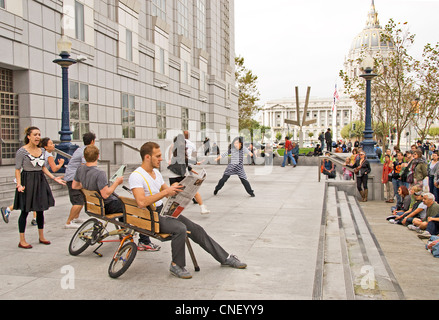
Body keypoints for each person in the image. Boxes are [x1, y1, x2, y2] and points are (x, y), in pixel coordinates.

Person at [129, 142, 247, 279]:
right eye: (158, 156)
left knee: (197, 229)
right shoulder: (136, 176)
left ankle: (225, 258)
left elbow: (165, 191)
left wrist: (177, 188)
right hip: (150, 216)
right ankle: (176, 265)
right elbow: (141, 202)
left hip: (163, 212)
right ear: (147, 157)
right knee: (180, 228)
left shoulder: (156, 173)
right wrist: (166, 192)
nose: (161, 158)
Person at [14, 127, 66, 249]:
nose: (38, 137)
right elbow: (17, 169)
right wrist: (19, 184)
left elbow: (43, 167)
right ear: (29, 136)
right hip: (27, 180)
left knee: (40, 210)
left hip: (40, 180)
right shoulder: (22, 151)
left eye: (39, 134)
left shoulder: (42, 150)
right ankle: (22, 240)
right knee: (25, 211)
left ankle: (41, 236)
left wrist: (54, 178)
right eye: (35, 134)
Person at [72, 145, 125, 216]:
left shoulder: (80, 169)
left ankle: (123, 226)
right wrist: (117, 182)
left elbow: (74, 186)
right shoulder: (100, 173)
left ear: (84, 157)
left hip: (94, 204)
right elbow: (105, 195)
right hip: (106, 205)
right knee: (128, 206)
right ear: (98, 156)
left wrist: (88, 185)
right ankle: (124, 226)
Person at [168, 134, 210, 214]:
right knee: (174, 194)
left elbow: (184, 162)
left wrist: (191, 169)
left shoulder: (183, 150)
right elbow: (182, 160)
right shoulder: (174, 148)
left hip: (182, 174)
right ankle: (171, 211)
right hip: (174, 175)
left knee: (193, 191)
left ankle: (202, 208)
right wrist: (196, 163)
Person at [63, 132, 96, 229]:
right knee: (78, 202)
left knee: (81, 199)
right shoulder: (86, 151)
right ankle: (68, 222)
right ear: (92, 141)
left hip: (73, 177)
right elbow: (84, 167)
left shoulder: (81, 149)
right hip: (73, 179)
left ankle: (76, 217)